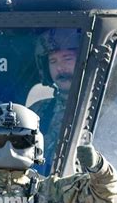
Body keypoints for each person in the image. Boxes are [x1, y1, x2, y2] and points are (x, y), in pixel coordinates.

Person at [30, 28, 80, 170]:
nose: (60, 67)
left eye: (67, 59)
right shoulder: (37, 111)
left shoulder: (107, 116)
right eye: (53, 61)